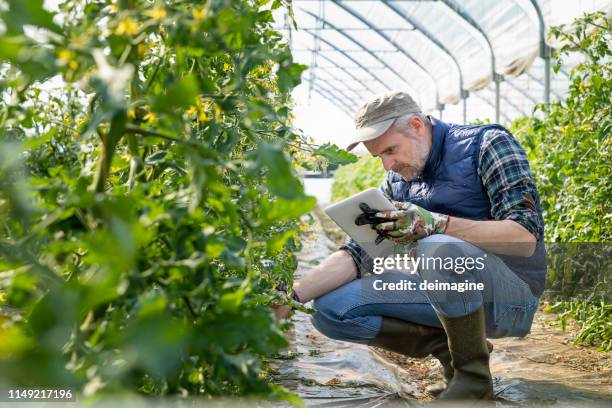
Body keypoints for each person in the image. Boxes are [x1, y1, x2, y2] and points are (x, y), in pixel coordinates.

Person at [275, 92, 546, 400]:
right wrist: (292, 298)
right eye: (379, 156)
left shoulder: (487, 145)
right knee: (330, 310)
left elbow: (525, 238)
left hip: (510, 298)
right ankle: (455, 352)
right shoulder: (395, 182)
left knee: (437, 247)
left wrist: (438, 223)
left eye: (391, 150)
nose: (387, 164)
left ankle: (474, 382)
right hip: (450, 294)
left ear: (417, 125)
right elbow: (358, 253)